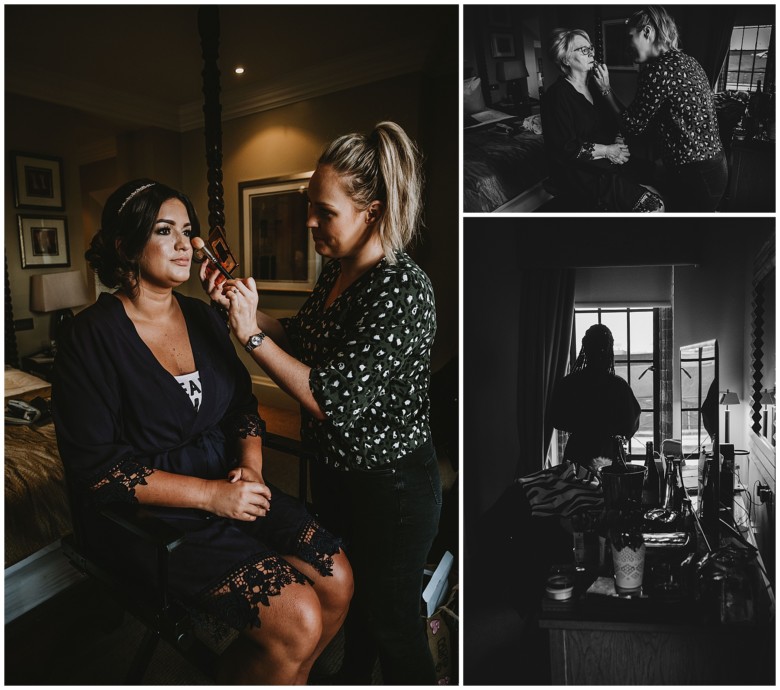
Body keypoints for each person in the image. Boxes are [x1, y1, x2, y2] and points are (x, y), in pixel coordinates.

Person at [51, 179, 353, 685]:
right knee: (299, 617)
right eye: (163, 230)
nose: (183, 245)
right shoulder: (89, 338)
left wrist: (252, 472)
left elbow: (241, 406)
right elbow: (98, 470)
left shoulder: (203, 316)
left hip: (230, 482)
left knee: (337, 578)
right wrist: (212, 497)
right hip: (152, 516)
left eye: (186, 232)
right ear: (125, 245)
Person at [202, 121, 442, 685]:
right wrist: (243, 307)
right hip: (338, 474)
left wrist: (250, 338)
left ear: (373, 212)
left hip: (393, 489)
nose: (309, 221)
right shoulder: (338, 270)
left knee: (393, 622)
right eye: (310, 205)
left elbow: (329, 398)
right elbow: (299, 336)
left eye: (324, 211)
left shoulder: (402, 290)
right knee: (351, 601)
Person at [593, 6, 727, 211]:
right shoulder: (689, 61)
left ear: (647, 32)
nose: (627, 45)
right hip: (714, 168)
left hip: (695, 175)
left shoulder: (658, 70)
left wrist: (605, 90)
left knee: (686, 236)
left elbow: (632, 126)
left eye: (630, 37)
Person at [542, 28, 664, 212]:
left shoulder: (595, 86)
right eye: (583, 50)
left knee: (661, 177)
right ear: (566, 59)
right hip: (583, 174)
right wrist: (608, 150)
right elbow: (565, 149)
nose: (591, 52)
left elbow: (615, 123)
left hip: (609, 163)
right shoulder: (556, 96)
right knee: (655, 206)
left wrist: (618, 142)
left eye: (590, 48)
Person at [551, 324, 641, 470]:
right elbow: (631, 425)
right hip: (609, 455)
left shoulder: (569, 383)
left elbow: (557, 419)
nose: (601, 352)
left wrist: (583, 425)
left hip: (577, 453)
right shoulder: (619, 386)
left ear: (585, 349)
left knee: (576, 491)